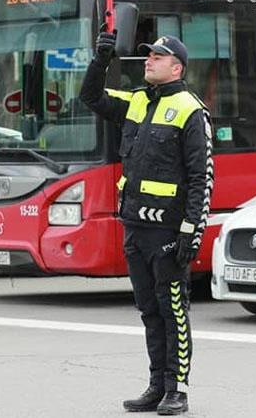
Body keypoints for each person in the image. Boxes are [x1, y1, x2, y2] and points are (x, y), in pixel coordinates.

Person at [80, 33, 214, 415]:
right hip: (135, 227)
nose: (148, 61)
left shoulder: (191, 110)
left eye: (157, 56)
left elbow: (201, 177)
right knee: (149, 311)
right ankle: (157, 386)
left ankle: (178, 390)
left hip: (168, 232)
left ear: (177, 67)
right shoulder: (138, 100)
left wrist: (192, 231)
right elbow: (91, 98)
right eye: (148, 55)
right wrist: (100, 60)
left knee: (174, 311)